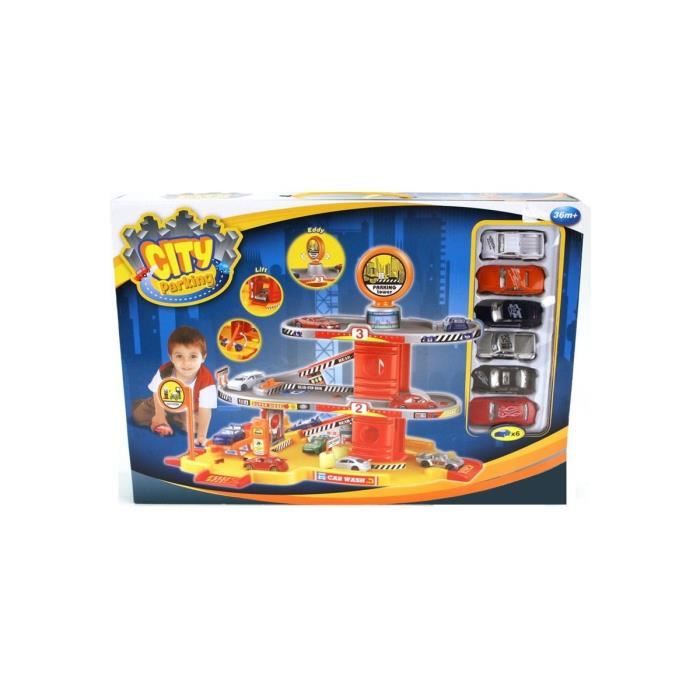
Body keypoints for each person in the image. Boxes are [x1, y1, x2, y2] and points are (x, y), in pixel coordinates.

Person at [132, 326, 216, 446]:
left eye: (193, 356)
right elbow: (157, 393)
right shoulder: (165, 371)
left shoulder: (206, 380)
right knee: (138, 415)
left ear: (203, 357)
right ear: (171, 357)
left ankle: (173, 419)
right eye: (179, 356)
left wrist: (202, 436)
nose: (186, 363)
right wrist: (160, 416)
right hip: (163, 402)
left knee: (195, 427)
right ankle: (159, 416)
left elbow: (205, 409)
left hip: (189, 409)